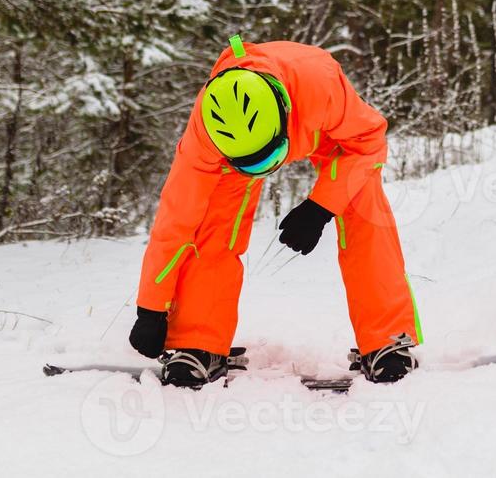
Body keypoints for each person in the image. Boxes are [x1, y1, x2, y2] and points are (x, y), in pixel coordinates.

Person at [127, 35, 423, 387]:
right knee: (212, 224)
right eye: (254, 166)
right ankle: (197, 343)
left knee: (364, 205)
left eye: (269, 159)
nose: (265, 173)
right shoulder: (206, 137)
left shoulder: (320, 85)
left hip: (324, 129)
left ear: (285, 115)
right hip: (235, 155)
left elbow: (368, 142)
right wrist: (151, 308)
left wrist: (320, 206)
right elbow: (174, 222)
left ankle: (387, 342)